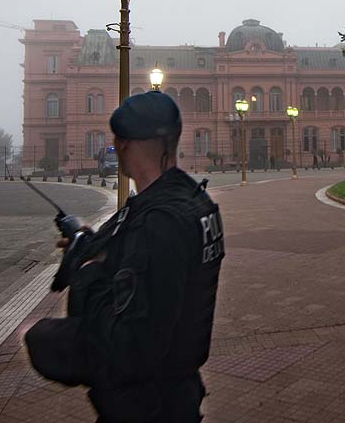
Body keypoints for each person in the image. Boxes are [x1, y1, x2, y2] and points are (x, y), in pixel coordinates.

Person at [25, 91, 225, 422]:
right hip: (179, 392)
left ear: (122, 145)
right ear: (174, 140)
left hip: (147, 406)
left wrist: (85, 276)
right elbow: (163, 276)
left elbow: (131, 346)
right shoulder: (196, 202)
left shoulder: (158, 221)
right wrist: (95, 244)